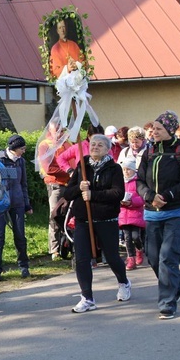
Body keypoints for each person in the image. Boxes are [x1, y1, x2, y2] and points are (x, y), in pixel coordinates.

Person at [136, 110, 180, 320]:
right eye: (153, 128)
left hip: (178, 211)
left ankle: (167, 303)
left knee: (167, 256)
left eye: (159, 129)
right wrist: (151, 196)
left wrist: (167, 196)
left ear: (170, 130)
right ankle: (174, 282)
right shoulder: (148, 152)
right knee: (154, 259)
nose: (154, 132)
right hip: (153, 213)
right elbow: (139, 182)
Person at [62, 134, 130, 312]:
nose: (95, 147)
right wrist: (79, 188)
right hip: (83, 220)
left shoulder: (114, 168)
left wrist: (94, 195)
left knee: (112, 257)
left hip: (106, 219)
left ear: (108, 149)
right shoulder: (82, 165)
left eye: (100, 145)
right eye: (93, 144)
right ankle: (87, 297)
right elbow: (68, 193)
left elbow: (118, 193)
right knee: (82, 259)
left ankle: (123, 282)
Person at [0, 134, 33, 281]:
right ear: (14, 148)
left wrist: (27, 204)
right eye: (22, 148)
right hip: (0, 204)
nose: (24, 151)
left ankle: (24, 266)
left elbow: (24, 184)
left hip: (18, 203)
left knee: (20, 235)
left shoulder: (21, 162)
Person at [37, 123, 72, 260]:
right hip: (55, 185)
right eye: (56, 128)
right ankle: (54, 250)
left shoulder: (67, 143)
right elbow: (48, 168)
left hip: (70, 184)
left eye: (61, 128)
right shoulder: (45, 145)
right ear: (50, 130)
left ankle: (68, 246)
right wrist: (70, 172)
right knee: (55, 216)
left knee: (69, 216)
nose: (59, 131)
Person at [118, 158, 146, 271]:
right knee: (127, 238)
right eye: (124, 170)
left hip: (135, 214)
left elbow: (142, 198)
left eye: (128, 169)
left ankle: (139, 250)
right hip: (123, 215)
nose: (126, 172)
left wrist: (132, 202)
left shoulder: (137, 182)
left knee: (135, 237)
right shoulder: (120, 182)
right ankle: (131, 258)